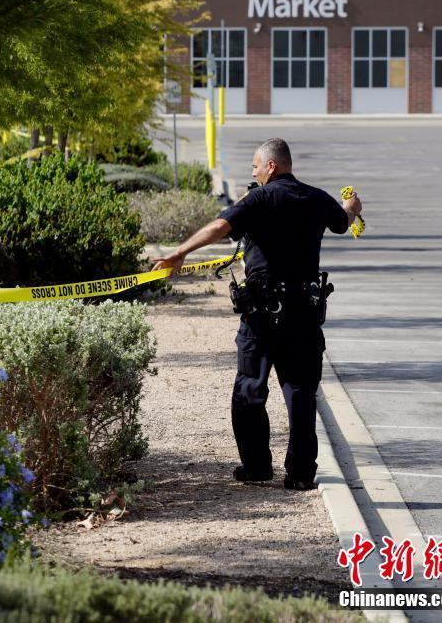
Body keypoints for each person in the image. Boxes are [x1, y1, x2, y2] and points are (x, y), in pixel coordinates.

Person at [151, 138, 362, 490]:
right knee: (300, 394)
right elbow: (343, 221)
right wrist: (351, 205)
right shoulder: (317, 198)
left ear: (272, 166)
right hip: (303, 316)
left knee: (249, 389)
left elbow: (220, 226)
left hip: (262, 317)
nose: (253, 172)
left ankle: (257, 467)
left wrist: (179, 252)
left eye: (255, 166)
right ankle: (299, 474)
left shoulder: (259, 199)